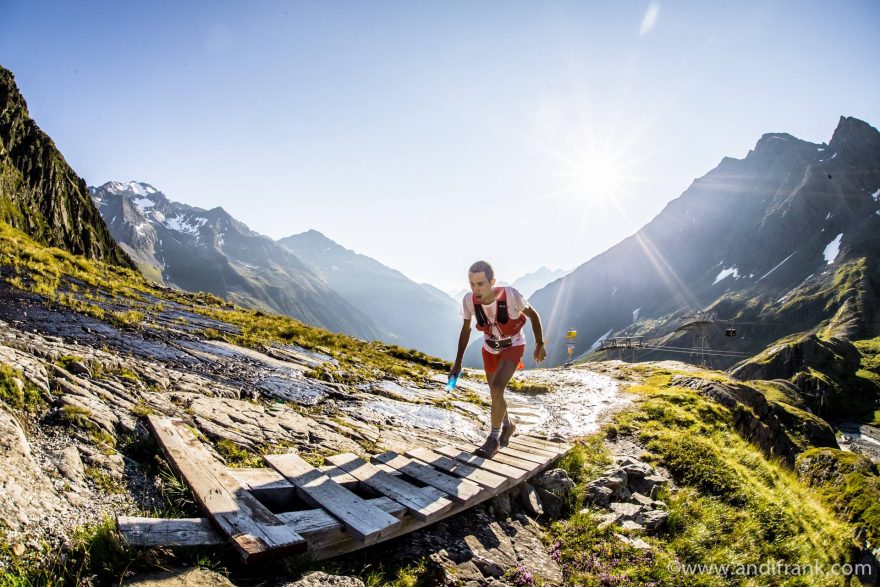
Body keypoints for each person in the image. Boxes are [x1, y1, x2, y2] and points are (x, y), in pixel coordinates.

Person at [450, 260, 546, 458]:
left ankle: (493, 440)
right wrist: (457, 363)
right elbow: (466, 330)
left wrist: (539, 344)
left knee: (496, 389)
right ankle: (508, 425)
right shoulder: (469, 301)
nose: (476, 290)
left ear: (492, 281)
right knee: (496, 393)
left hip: (513, 346)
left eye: (481, 284)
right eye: (472, 284)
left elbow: (534, 315)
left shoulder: (511, 295)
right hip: (489, 348)